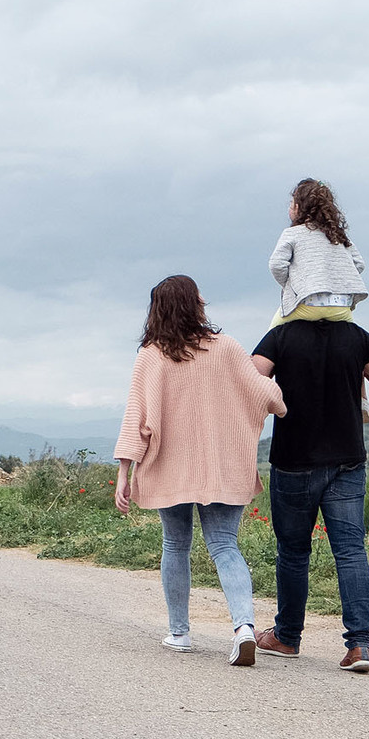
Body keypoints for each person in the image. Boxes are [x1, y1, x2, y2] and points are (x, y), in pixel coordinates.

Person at [113, 276, 286, 663]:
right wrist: (279, 399)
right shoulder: (226, 348)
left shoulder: (151, 355)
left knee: (176, 544)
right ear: (193, 303)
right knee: (225, 546)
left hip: (169, 465)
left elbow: (135, 418)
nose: (206, 297)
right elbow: (264, 394)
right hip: (223, 466)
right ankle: (244, 627)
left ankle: (180, 633)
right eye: (199, 293)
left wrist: (124, 472)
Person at [249, 304, 369, 674]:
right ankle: (359, 646)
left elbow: (248, 383)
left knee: (293, 552)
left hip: (294, 461)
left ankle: (286, 637)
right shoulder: (356, 337)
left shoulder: (281, 336)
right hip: (348, 459)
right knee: (350, 550)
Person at [269, 177, 367, 321]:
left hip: (308, 305)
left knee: (275, 330)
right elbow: (359, 264)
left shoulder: (292, 233)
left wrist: (295, 284)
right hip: (341, 308)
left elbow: (276, 264)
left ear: (297, 208)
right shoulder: (338, 235)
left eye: (291, 203)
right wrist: (336, 279)